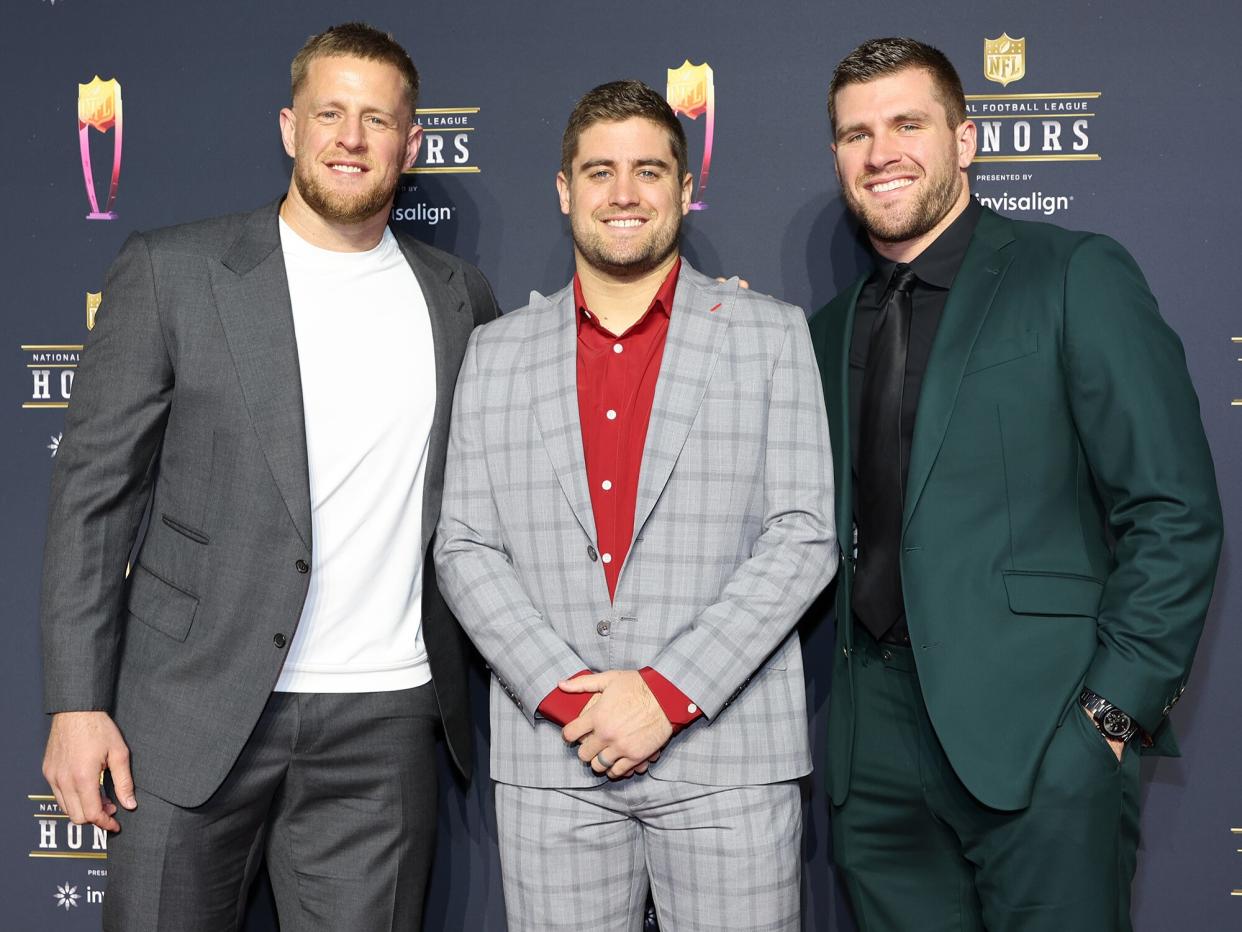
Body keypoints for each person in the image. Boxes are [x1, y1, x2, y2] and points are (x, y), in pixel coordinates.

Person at [39, 22, 498, 931]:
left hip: (385, 721)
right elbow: (93, 500)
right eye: (330, 112)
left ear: (413, 143)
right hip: (187, 712)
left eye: (377, 119)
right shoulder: (174, 273)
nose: (350, 138)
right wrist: (76, 704)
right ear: (290, 127)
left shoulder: (457, 296)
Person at [810, 36, 1223, 932]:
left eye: (908, 123)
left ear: (966, 138)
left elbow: (1174, 511)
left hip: (1042, 735)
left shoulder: (1072, 273)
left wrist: (1107, 720)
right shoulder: (827, 327)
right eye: (855, 134)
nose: (880, 153)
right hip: (871, 756)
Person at [434, 79, 835, 931]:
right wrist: (576, 699)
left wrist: (668, 691)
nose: (624, 193)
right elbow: (464, 545)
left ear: (685, 190)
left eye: (649, 171)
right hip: (555, 762)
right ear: (564, 189)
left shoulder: (770, 334)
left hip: (728, 755)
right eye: (600, 171)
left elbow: (802, 537)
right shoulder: (495, 353)